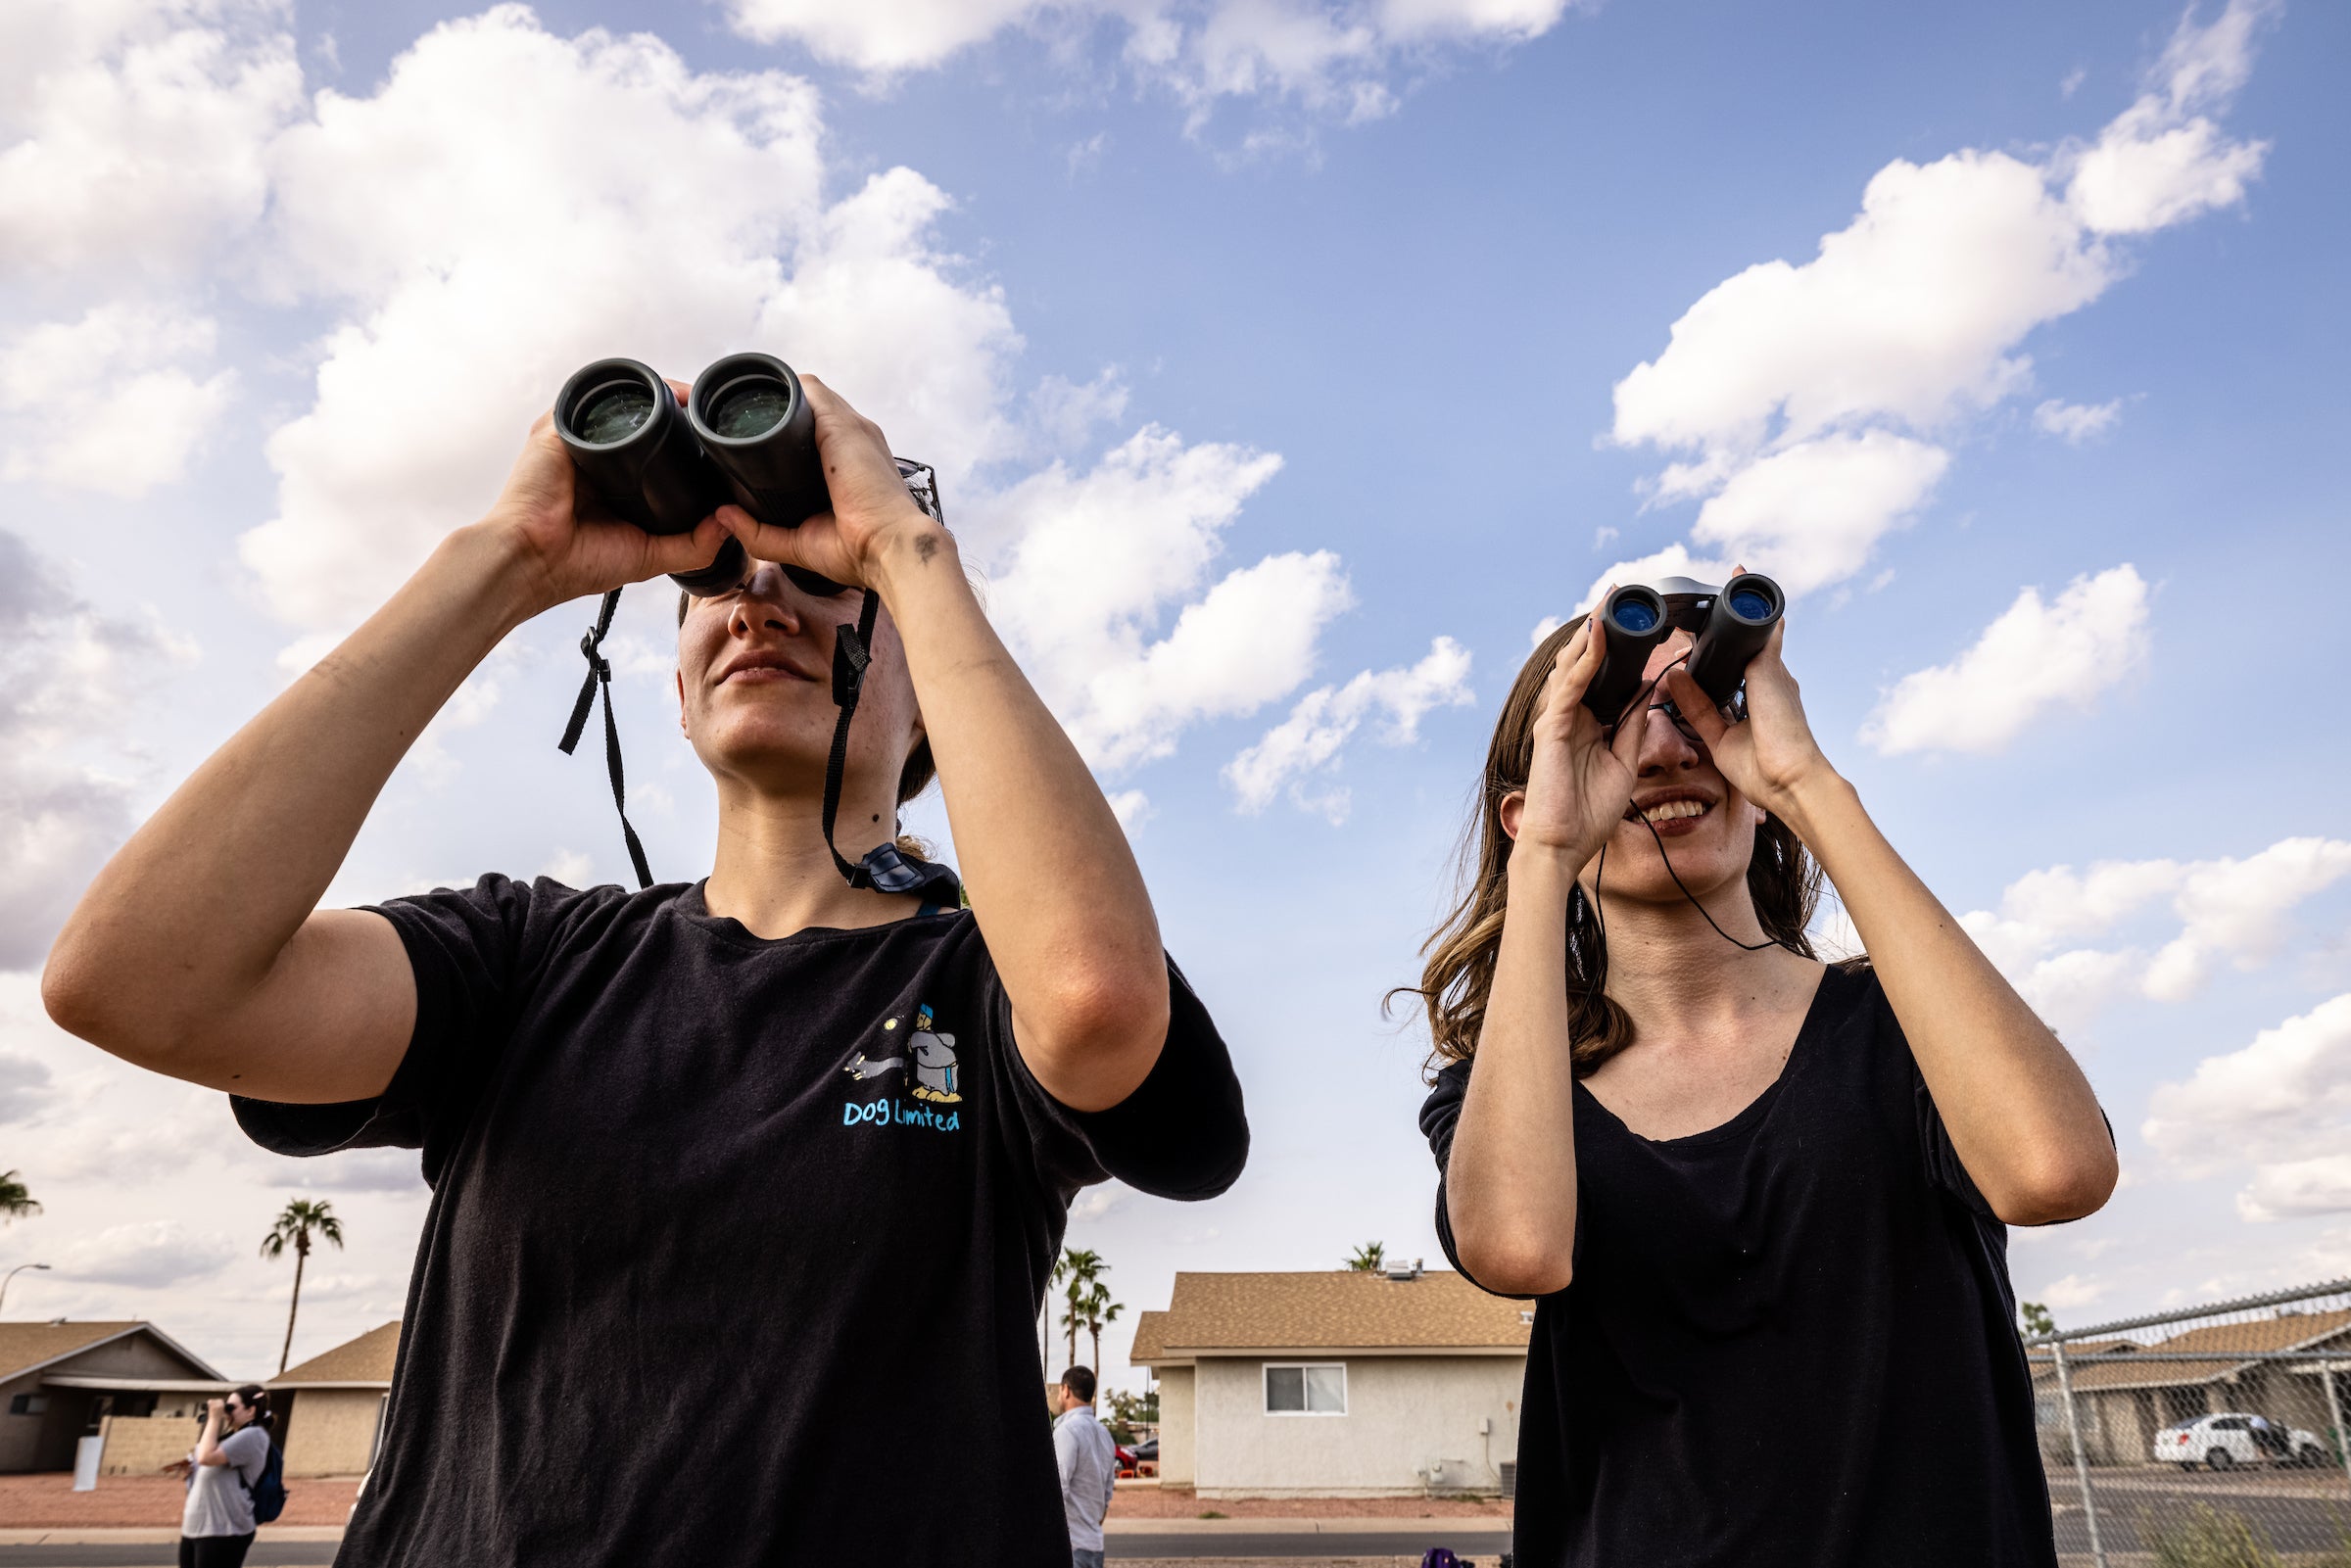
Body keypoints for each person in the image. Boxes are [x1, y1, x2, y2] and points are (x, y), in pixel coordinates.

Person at [44, 374, 1250, 1566]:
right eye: (715, 584)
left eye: (828, 584)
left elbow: (1096, 1005)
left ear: (932, 697)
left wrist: (908, 553)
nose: (760, 604)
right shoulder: (524, 959)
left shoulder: (989, 987)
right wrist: (506, 558)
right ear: (675, 692)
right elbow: (135, 980)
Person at [1404, 587, 2117, 1566]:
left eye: (1702, 701)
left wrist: (1808, 782)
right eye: (1615, 721)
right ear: (1528, 807)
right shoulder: (1505, 1092)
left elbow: (2056, 1170)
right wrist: (1547, 857)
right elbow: (1521, 1248)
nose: (1663, 749)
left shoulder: (1906, 1025)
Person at [163, 1386, 273, 1568]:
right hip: (197, 1526)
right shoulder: (230, 1437)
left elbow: (206, 1457)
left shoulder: (253, 1435)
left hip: (224, 1529)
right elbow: (203, 1464)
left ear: (251, 1410)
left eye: (231, 1407)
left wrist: (214, 1417)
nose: (225, 1412)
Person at [1052, 1365, 1117, 1568]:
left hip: (1072, 1547)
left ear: (1066, 1390)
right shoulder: (1105, 1434)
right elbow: (1106, 1495)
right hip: (1094, 1546)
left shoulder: (1066, 1431)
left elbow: (1057, 1489)